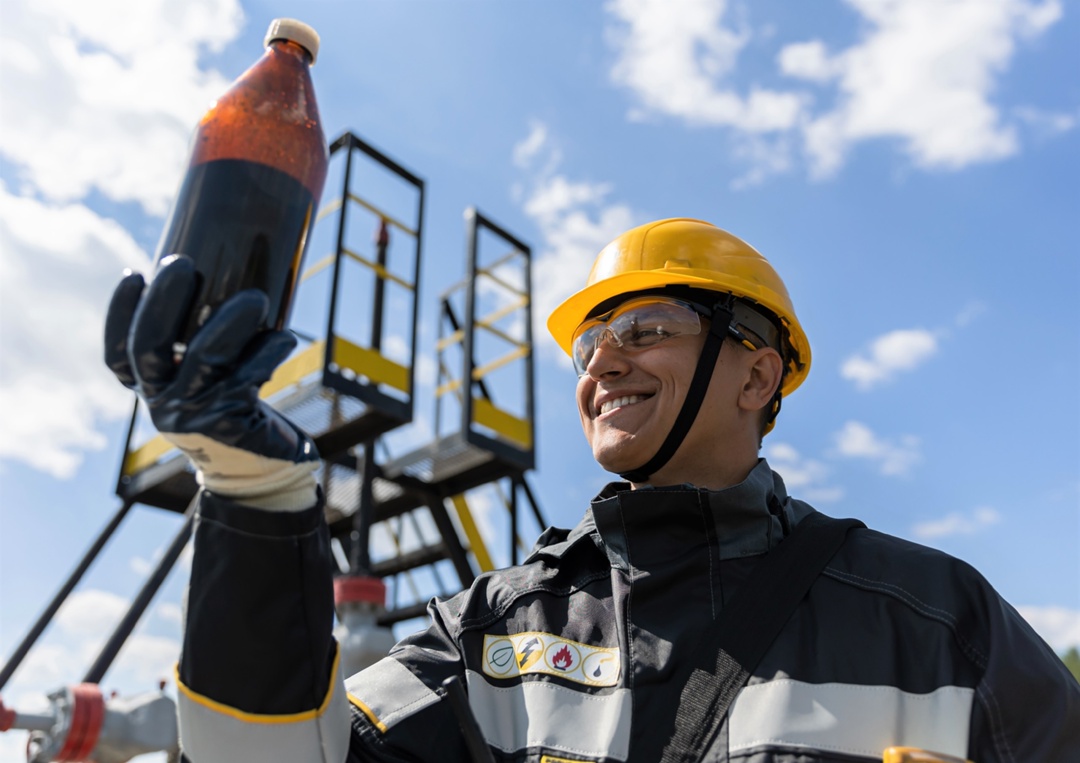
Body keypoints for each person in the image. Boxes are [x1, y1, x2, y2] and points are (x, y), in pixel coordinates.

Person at [105, 218, 1079, 763]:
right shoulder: (488, 633)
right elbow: (279, 759)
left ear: (758, 373)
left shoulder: (939, 624)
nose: (604, 361)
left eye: (646, 328)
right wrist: (258, 499)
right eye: (589, 346)